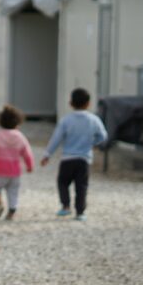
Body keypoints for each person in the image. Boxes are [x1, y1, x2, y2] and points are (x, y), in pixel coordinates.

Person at [40, 88, 108, 222]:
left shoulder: (66, 120)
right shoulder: (93, 119)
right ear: (88, 103)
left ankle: (65, 206)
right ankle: (80, 212)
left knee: (63, 182)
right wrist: (93, 143)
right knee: (81, 186)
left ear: (70, 103)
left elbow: (56, 138)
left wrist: (47, 154)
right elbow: (103, 136)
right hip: (84, 159)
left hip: (67, 158)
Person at [0, 105, 34, 220]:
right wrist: (29, 166)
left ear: (0, 121)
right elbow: (27, 152)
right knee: (13, 191)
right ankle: (12, 209)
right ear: (18, 123)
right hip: (15, 171)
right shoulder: (20, 137)